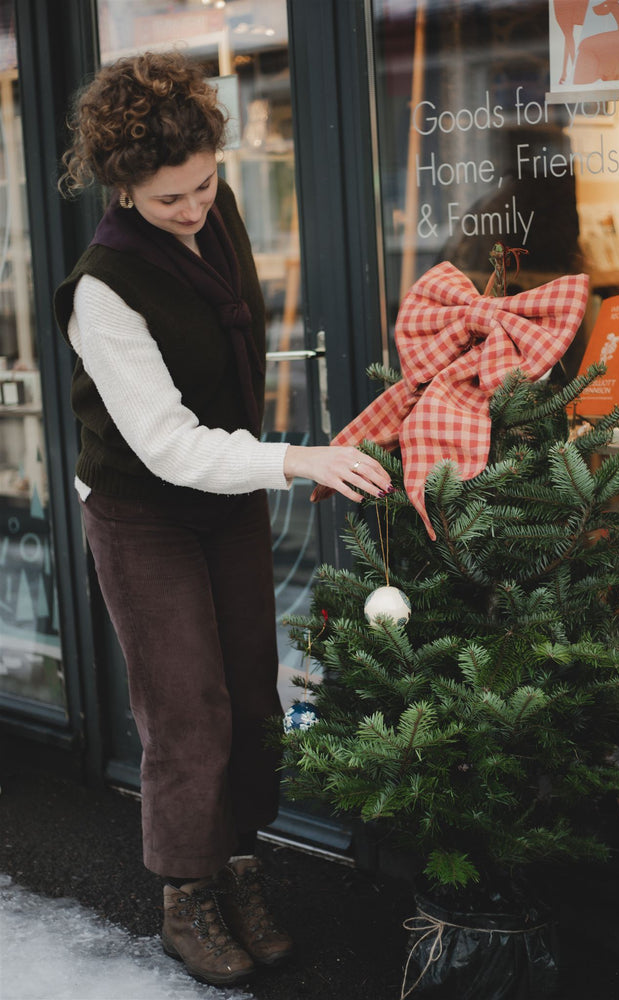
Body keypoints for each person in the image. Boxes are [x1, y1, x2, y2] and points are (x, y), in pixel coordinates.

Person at [54, 50, 391, 987]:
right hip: (142, 511)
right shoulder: (101, 289)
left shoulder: (217, 206)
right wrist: (294, 457)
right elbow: (165, 446)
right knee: (187, 707)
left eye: (206, 184)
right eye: (170, 200)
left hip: (224, 494)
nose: (196, 208)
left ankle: (238, 866)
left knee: (249, 693)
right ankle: (185, 897)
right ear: (122, 189)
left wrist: (263, 463)